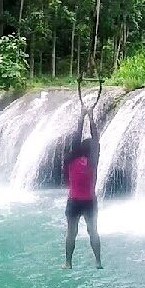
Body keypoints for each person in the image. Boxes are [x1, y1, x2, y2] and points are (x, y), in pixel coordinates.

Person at [64, 106, 102, 269]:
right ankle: (98, 262)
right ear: (92, 151)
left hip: (73, 201)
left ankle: (68, 262)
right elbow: (96, 140)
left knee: (71, 232)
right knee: (93, 231)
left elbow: (75, 139)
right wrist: (91, 119)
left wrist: (81, 118)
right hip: (89, 201)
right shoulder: (93, 163)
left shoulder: (71, 161)